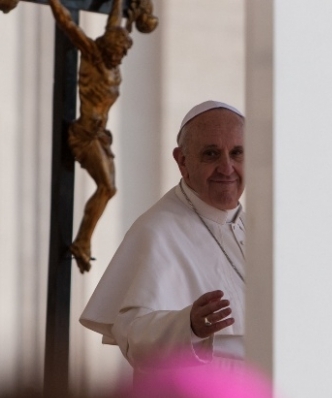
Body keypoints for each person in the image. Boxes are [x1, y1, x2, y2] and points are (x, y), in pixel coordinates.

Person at [79, 100, 246, 375]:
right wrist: (188, 326)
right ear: (182, 161)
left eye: (237, 153)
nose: (226, 168)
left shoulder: (261, 229)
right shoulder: (157, 230)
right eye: (211, 154)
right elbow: (132, 333)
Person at [48, 0, 134, 274]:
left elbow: (114, 20)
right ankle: (82, 242)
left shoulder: (112, 62)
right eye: (119, 51)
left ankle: (82, 242)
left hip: (100, 136)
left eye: (123, 52)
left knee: (111, 189)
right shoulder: (94, 55)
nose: (121, 56)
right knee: (106, 188)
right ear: (109, 47)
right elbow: (67, 22)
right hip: (84, 135)